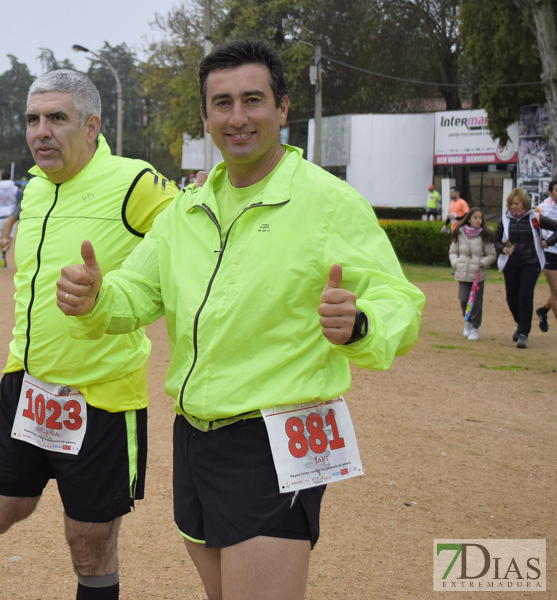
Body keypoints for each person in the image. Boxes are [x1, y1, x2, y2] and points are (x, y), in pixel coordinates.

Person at [55, 40, 425, 600]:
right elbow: (137, 293)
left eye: (253, 100)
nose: (238, 117)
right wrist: (96, 298)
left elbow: (399, 299)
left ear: (282, 109)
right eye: (221, 103)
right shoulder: (187, 209)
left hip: (277, 435)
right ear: (205, 117)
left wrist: (363, 323)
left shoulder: (327, 203)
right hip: (194, 435)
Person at [0, 69, 177, 600]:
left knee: (88, 539)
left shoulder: (135, 182)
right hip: (28, 380)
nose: (42, 131)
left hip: (103, 392)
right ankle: (53, 467)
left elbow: (195, 234)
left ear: (92, 127)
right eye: (33, 119)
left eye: (57, 118)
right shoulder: (35, 190)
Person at [493, 188, 557, 349]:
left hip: (531, 263)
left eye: (516, 204)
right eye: (511, 204)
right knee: (512, 299)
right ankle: (521, 324)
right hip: (511, 264)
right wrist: (503, 249)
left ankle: (524, 334)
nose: (513, 207)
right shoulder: (505, 220)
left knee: (525, 296)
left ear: (524, 204)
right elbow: (496, 241)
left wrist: (548, 243)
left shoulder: (535, 218)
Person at [450, 208, 497, 340]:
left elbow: (492, 254)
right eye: (475, 217)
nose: (478, 220)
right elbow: (453, 251)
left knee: (476, 302)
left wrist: (481, 264)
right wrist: (456, 263)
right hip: (463, 273)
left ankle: (475, 328)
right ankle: (468, 321)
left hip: (477, 275)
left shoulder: (485, 235)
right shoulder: (459, 233)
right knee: (463, 299)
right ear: (469, 219)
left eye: (480, 218)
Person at [535, 180, 557, 332]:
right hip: (550, 254)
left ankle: (543, 310)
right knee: (556, 291)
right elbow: (533, 227)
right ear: (550, 193)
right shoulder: (542, 208)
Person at [0, 170, 22, 269]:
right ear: (10, 177)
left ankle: (1, 250)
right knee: (9, 238)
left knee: (2, 237)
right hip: (11, 215)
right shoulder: (15, 189)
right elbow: (20, 200)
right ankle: (3, 253)